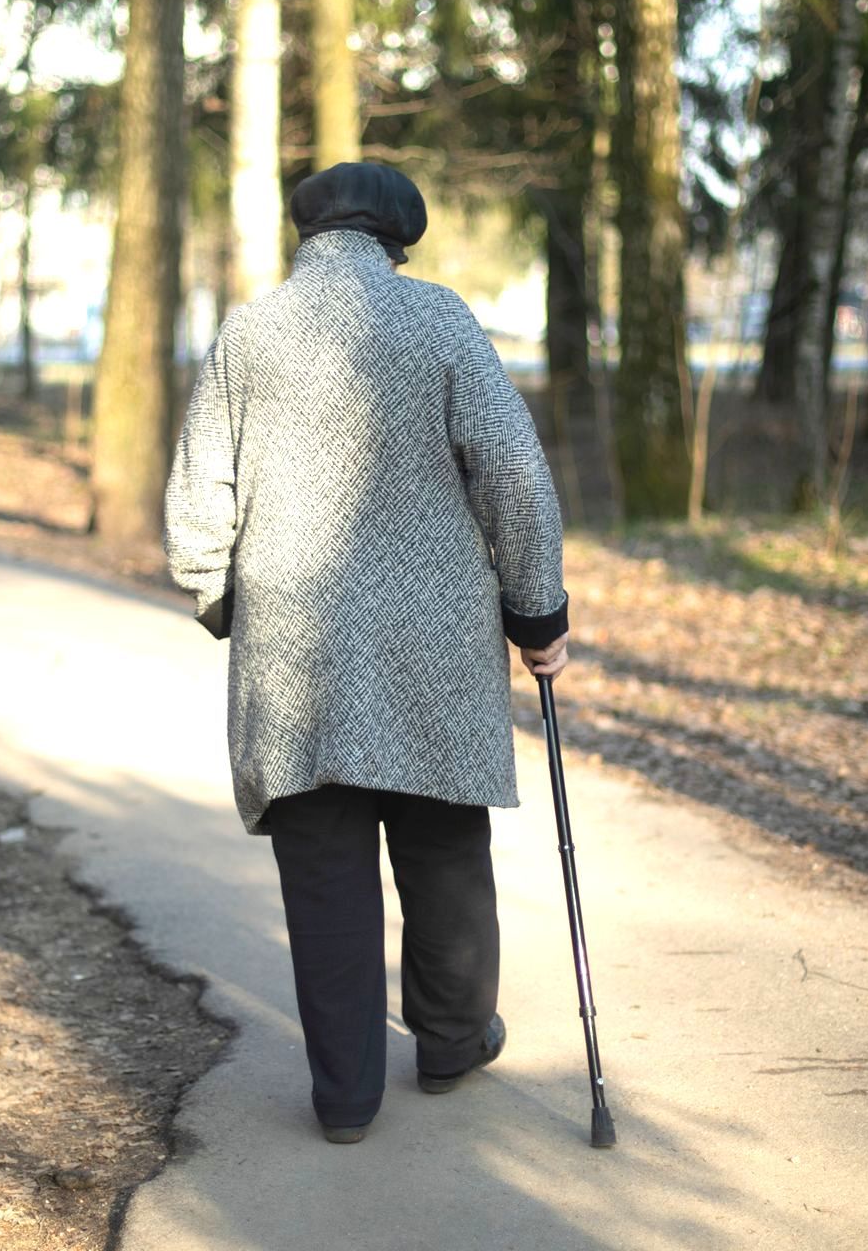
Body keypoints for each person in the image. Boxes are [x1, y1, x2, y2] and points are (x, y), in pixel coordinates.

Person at [163, 161, 570, 1145]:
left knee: (325, 873)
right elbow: (511, 470)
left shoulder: (247, 331)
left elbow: (194, 501)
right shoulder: (439, 322)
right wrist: (538, 611)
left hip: (295, 651)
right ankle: (451, 1038)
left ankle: (345, 1096)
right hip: (432, 647)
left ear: (308, 234)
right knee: (442, 850)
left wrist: (224, 600)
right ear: (399, 238)